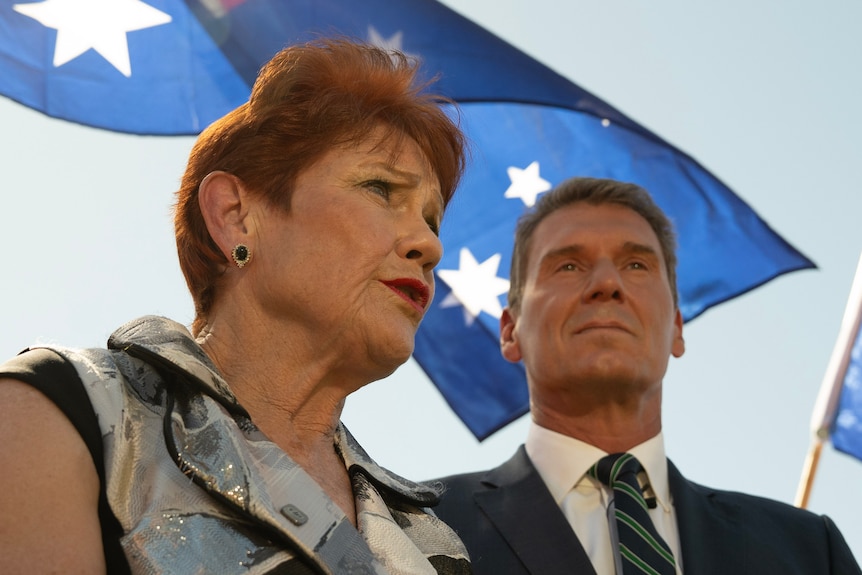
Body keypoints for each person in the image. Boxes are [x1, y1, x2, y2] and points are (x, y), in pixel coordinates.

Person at [0, 38, 472, 574]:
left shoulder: (434, 544)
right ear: (235, 216)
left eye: (432, 220)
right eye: (380, 188)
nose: (429, 245)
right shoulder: (65, 410)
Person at [430, 177, 861, 574]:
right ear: (510, 331)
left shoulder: (808, 551)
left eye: (636, 265)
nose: (606, 283)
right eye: (568, 266)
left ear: (676, 327)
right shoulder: (420, 528)